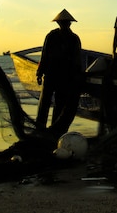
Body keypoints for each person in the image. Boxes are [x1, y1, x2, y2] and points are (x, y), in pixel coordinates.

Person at [35, 9, 84, 138]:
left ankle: (53, 130)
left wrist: (76, 76)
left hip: (63, 77)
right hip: (53, 75)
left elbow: (76, 60)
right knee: (46, 103)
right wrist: (39, 72)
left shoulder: (72, 39)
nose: (64, 24)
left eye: (65, 22)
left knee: (57, 104)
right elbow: (44, 55)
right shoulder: (53, 36)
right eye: (63, 22)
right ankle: (44, 129)